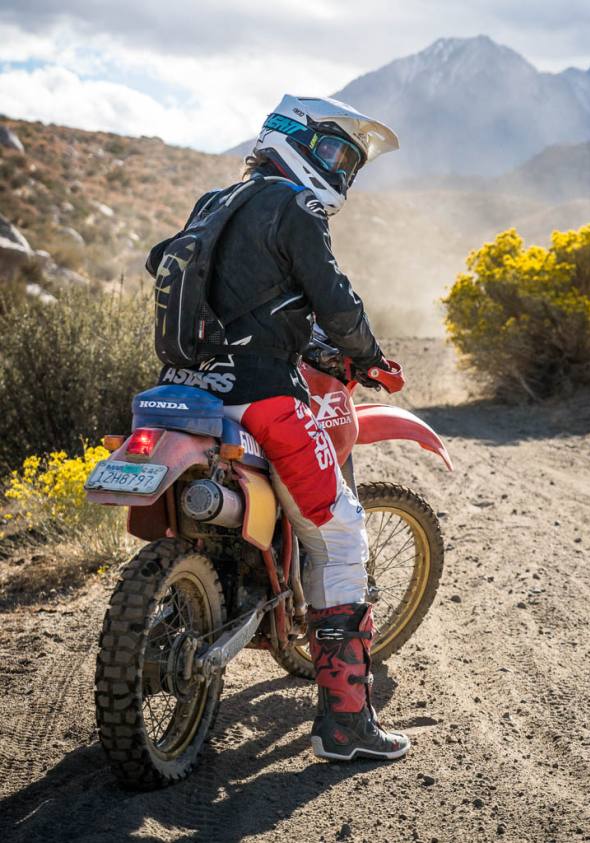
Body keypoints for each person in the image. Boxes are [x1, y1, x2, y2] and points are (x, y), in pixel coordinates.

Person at [154, 95, 409, 761]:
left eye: (349, 159)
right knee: (341, 534)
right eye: (333, 151)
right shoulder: (296, 207)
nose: (340, 169)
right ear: (291, 137)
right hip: (262, 395)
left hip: (182, 393)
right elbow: (335, 299)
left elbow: (163, 262)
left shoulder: (214, 201)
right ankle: (345, 725)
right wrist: (366, 352)